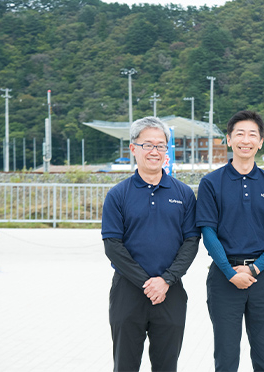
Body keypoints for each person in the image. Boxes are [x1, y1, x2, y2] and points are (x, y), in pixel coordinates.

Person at [102, 116, 200, 372]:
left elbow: (191, 241)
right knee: (125, 364)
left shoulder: (183, 194)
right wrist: (147, 283)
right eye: (148, 145)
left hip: (171, 292)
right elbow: (112, 245)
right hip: (128, 291)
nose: (154, 151)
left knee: (167, 365)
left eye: (160, 146)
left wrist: (166, 280)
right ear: (133, 148)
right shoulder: (118, 194)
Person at [196, 110, 264, 372]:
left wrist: (255, 268)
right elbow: (208, 232)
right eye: (239, 134)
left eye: (252, 134)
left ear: (261, 142)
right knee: (226, 359)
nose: (245, 140)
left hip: (263, 279)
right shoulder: (211, 183)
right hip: (224, 279)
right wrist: (229, 271)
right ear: (229, 139)